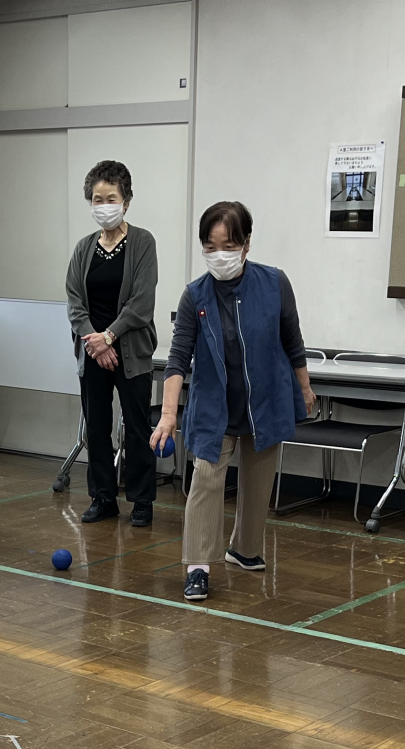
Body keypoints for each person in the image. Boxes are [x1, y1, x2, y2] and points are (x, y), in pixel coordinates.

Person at [149, 201, 313, 604]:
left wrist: (305, 387)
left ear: (246, 244)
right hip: (214, 405)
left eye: (228, 245)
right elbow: (177, 359)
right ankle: (198, 566)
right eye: (210, 246)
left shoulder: (274, 283)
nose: (219, 255)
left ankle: (244, 549)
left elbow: (292, 340)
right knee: (205, 479)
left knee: (259, 480)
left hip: (265, 399)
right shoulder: (195, 295)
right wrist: (168, 415)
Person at [63, 160, 159, 526]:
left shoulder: (143, 242)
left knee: (137, 427)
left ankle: (141, 500)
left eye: (111, 198)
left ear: (126, 201)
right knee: (97, 427)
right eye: (97, 199)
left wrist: (109, 337)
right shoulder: (84, 248)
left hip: (131, 351)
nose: (104, 206)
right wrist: (95, 342)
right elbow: (74, 301)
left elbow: (141, 303)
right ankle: (103, 497)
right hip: (92, 352)